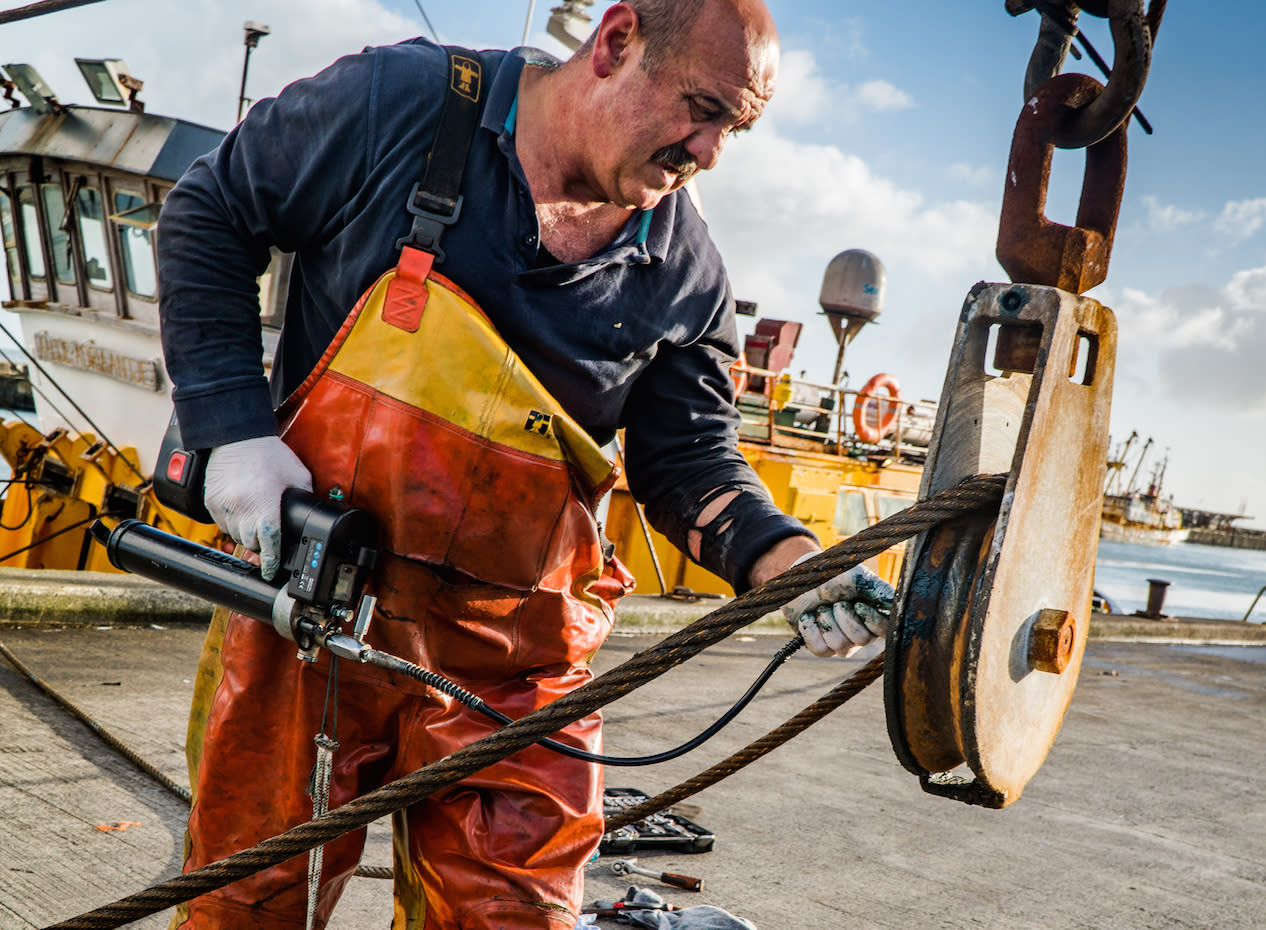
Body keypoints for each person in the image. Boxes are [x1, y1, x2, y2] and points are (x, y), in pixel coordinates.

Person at [156, 1, 892, 926]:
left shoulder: (688, 277)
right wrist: (230, 429)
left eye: (732, 130)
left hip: (513, 669)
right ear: (617, 42)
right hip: (309, 615)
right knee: (244, 902)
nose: (709, 153)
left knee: (516, 914)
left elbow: (691, 466)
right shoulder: (402, 105)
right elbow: (210, 211)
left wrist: (789, 565)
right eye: (702, 109)